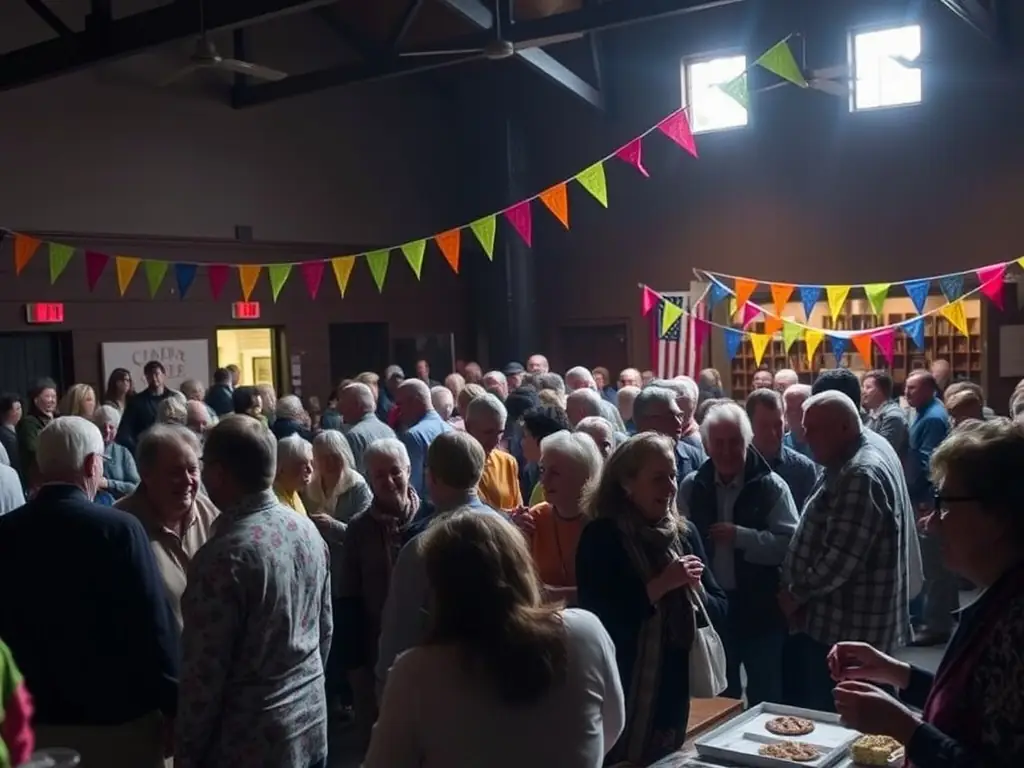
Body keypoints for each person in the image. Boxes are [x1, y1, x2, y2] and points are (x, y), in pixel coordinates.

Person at [830, 419, 1024, 766]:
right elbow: (977, 704)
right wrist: (896, 673)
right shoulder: (1000, 595)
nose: (930, 522)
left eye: (945, 505)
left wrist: (904, 728)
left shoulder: (1017, 624)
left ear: (998, 516)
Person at [365, 510, 625, 768]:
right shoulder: (587, 633)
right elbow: (611, 727)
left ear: (439, 589)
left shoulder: (415, 672)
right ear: (522, 567)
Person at [0, 417, 179, 768]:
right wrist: (174, 705)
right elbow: (151, 624)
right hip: (117, 724)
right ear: (92, 464)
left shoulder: (5, 531)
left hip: (31, 723)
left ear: (38, 465)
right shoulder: (119, 529)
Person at [176, 415, 331, 768]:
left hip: (248, 742)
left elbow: (203, 675)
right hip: (310, 722)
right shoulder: (307, 530)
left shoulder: (223, 557)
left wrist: (186, 753)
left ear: (217, 473)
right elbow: (324, 631)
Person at [576, 433, 727, 765]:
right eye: (659, 478)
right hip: (619, 686)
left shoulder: (683, 534)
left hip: (672, 693)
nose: (671, 487)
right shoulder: (601, 537)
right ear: (628, 484)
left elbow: (720, 606)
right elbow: (598, 619)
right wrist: (660, 585)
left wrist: (695, 591)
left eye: (673, 475)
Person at [116, 425, 219, 631]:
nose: (187, 481)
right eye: (175, 472)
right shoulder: (121, 526)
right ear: (146, 475)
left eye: (192, 470)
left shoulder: (212, 513)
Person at [512, 430, 603, 604]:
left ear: (585, 477)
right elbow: (517, 586)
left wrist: (555, 595)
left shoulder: (605, 523)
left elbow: (612, 593)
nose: (544, 481)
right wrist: (514, 537)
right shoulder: (533, 519)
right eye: (542, 470)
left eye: (555, 473)